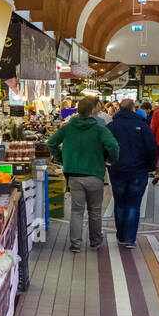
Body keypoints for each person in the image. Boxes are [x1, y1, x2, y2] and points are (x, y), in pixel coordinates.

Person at [47, 96, 120, 253]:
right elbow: (113, 145)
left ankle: (75, 244)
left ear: (77, 110)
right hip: (95, 174)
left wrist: (60, 157)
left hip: (74, 175)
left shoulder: (67, 128)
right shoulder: (100, 129)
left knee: (76, 210)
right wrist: (110, 160)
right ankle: (95, 241)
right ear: (93, 111)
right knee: (94, 210)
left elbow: (51, 143)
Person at [106, 99, 157, 248]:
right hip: (138, 172)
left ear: (119, 109)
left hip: (117, 171)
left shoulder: (111, 126)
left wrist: (107, 162)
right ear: (134, 109)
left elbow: (105, 146)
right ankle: (129, 239)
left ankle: (121, 235)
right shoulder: (143, 126)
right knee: (134, 205)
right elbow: (151, 148)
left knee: (120, 202)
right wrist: (150, 167)